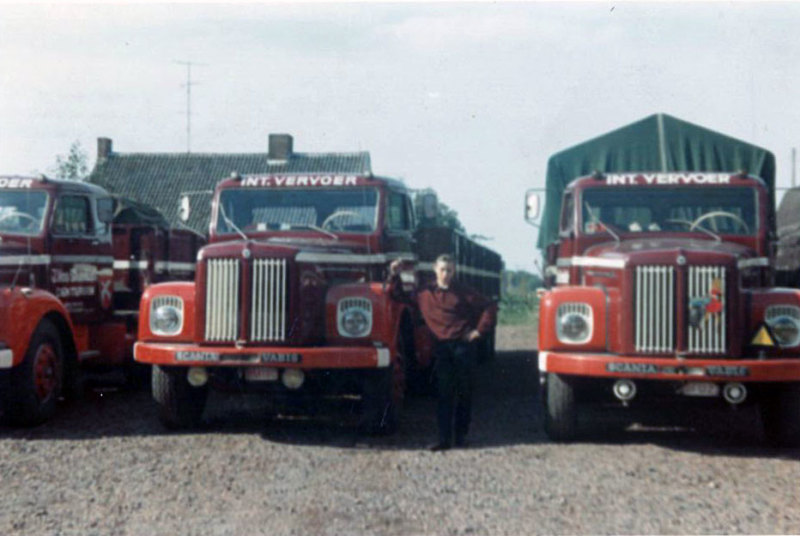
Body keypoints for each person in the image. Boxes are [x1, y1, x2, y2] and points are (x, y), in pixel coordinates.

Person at [389, 254, 497, 451]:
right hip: (441, 348)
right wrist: (395, 274)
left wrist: (478, 332)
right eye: (443, 269)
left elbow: (489, 306)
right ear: (434, 269)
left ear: (454, 271)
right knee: (444, 394)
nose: (446, 274)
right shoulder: (423, 293)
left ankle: (461, 437)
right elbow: (399, 296)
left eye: (449, 270)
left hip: (463, 347)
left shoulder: (464, 292)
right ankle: (444, 439)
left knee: (464, 393)